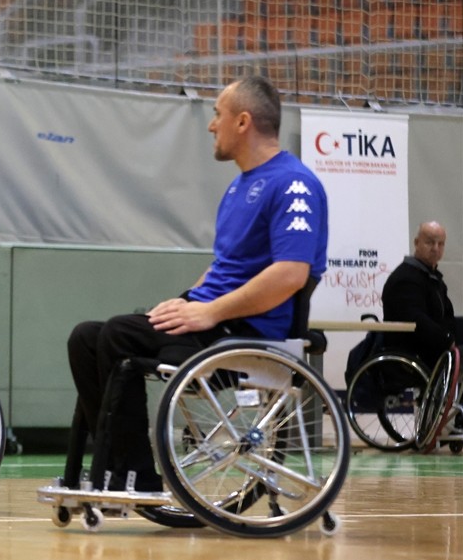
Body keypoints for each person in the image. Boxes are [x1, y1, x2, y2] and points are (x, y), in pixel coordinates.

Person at [66, 75, 328, 491]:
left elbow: (290, 274)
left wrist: (207, 311)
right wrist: (184, 301)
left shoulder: (294, 183)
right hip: (214, 319)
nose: (211, 126)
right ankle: (119, 465)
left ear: (243, 122)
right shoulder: (237, 187)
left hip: (247, 331)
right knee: (85, 338)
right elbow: (224, 267)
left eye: (217, 115)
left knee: (119, 335)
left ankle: (135, 475)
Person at [381, 221, 457, 369]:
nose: (436, 249)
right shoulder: (405, 278)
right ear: (416, 243)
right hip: (412, 354)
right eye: (430, 242)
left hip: (432, 350)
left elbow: (447, 315)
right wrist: (447, 340)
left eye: (441, 244)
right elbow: (417, 321)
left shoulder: (433, 278)